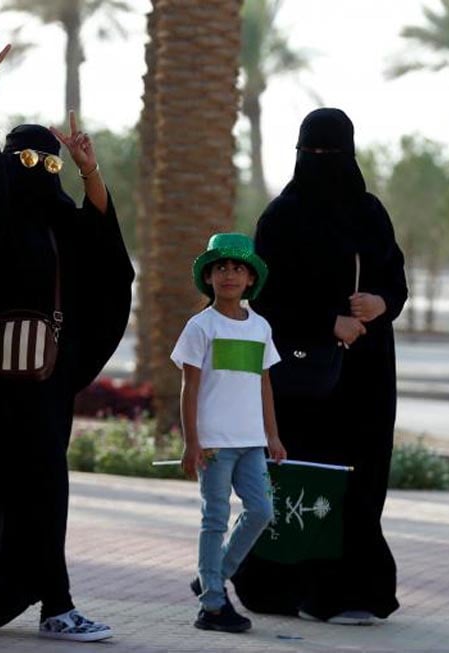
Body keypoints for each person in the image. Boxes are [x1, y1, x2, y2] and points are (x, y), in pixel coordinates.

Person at [0, 34, 134, 642]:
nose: (38, 170)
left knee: (45, 492)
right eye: (26, 160)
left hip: (44, 384)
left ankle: (56, 606)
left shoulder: (61, 223)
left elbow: (108, 251)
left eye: (49, 163)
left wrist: (87, 168)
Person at [232, 107, 408, 625]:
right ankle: (282, 588)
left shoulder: (370, 213)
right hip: (305, 377)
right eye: (313, 153)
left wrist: (380, 303)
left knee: (362, 478)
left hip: (367, 374)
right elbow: (264, 298)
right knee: (305, 479)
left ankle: (353, 592)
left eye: (331, 153)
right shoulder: (281, 218)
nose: (321, 162)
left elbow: (396, 279)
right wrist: (328, 322)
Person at [170, 233, 287, 633]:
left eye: (238, 268)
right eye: (221, 267)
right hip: (214, 445)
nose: (229, 275)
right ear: (209, 277)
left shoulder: (260, 327)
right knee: (215, 518)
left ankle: (213, 576)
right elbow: (189, 388)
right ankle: (213, 606)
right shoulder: (200, 326)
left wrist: (273, 435)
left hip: (252, 442)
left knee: (261, 511)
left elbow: (264, 385)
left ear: (251, 279)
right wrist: (192, 442)